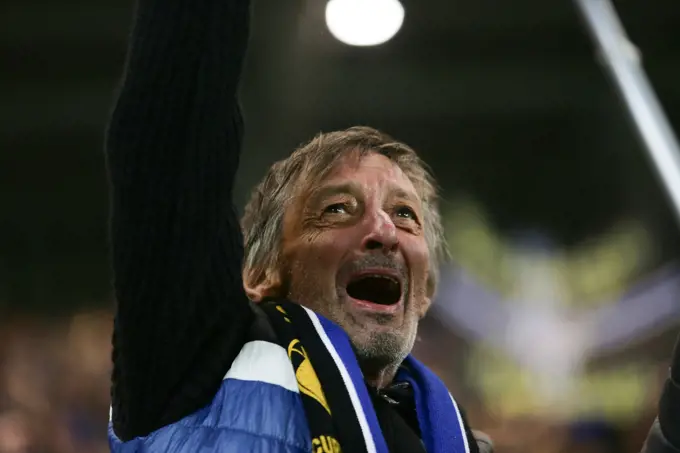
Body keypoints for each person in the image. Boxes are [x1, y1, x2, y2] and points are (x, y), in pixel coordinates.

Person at [104, 0, 679, 452]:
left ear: (425, 292)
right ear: (260, 273)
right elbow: (170, 137)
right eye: (336, 209)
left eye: (405, 214)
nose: (383, 231)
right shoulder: (197, 365)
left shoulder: (456, 438)